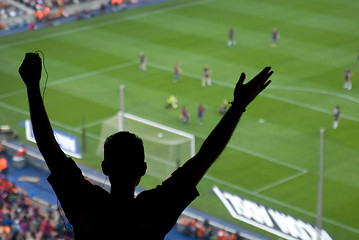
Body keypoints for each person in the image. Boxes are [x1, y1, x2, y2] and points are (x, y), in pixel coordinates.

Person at [19, 52, 272, 240]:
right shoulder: (154, 210)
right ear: (143, 170)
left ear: (105, 167)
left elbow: (48, 146)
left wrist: (32, 85)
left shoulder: (86, 203)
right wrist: (238, 106)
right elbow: (204, 158)